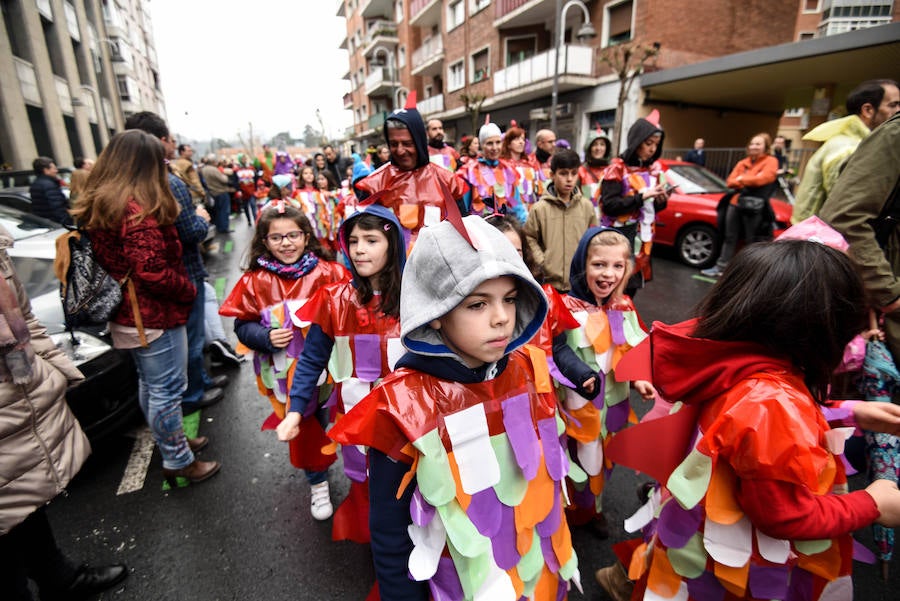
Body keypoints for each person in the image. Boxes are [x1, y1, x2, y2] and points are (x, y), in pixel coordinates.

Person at [596, 240, 900, 601]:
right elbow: (783, 514)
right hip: (727, 573)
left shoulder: (727, 357)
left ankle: (622, 580)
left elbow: (755, 420)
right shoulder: (769, 402)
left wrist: (845, 411)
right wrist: (874, 502)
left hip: (693, 539)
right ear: (818, 327)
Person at [330, 215, 579, 600]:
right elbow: (389, 531)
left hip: (530, 570)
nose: (501, 318)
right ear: (438, 312)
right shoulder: (402, 405)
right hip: (458, 580)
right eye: (478, 304)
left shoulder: (530, 369)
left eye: (510, 299)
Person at [71, 129, 220, 486]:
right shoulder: (135, 209)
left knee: (151, 385)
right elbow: (152, 271)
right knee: (167, 390)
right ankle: (177, 459)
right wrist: (186, 289)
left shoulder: (105, 200)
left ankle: (175, 445)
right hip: (152, 316)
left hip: (131, 315)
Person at [0, 224, 128, 600]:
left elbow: (25, 319)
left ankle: (57, 575)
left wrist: (59, 369)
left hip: (21, 394)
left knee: (25, 499)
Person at [277, 205, 404, 532]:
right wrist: (294, 411)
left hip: (407, 417)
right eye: (354, 240)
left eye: (371, 240)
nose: (360, 248)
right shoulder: (334, 299)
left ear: (393, 245)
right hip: (355, 416)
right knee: (368, 485)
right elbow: (311, 359)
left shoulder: (417, 296)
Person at [218, 206, 348, 508]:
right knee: (304, 425)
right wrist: (264, 337)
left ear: (306, 236)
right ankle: (318, 481)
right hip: (285, 376)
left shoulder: (328, 272)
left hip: (330, 370)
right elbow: (242, 324)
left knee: (337, 417)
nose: (286, 243)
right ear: (263, 241)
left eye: (293, 235)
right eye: (276, 237)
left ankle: (359, 477)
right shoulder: (255, 281)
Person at [123, 111, 224, 415]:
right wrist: (201, 219)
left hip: (153, 296)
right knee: (184, 352)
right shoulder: (162, 184)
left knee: (163, 372)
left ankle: (199, 383)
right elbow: (186, 234)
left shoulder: (129, 188)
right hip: (178, 281)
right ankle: (192, 395)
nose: (174, 146)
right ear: (158, 142)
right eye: (169, 141)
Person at [558, 227, 655, 538]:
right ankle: (568, 510)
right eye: (599, 264)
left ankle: (593, 509)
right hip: (575, 406)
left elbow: (630, 347)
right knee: (575, 457)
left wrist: (639, 378)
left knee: (603, 458)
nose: (608, 274)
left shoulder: (623, 306)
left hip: (613, 402)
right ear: (582, 265)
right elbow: (554, 353)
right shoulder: (566, 309)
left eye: (617, 266)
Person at [820, 111, 900, 363]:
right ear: (868, 109)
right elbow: (844, 214)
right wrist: (888, 293)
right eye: (891, 102)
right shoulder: (893, 135)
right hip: (885, 296)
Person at [353, 92, 469, 252]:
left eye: (407, 143)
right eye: (393, 144)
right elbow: (363, 235)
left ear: (420, 141)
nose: (400, 151)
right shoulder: (374, 184)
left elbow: (464, 228)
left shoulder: (446, 181)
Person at [791, 78, 900, 224]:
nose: (898, 111)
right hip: (825, 241)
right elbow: (846, 211)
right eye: (893, 105)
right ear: (868, 110)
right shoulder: (848, 148)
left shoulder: (853, 143)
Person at [600, 110, 671, 294]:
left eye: (656, 144)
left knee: (630, 293)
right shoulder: (617, 169)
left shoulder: (654, 171)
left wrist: (661, 201)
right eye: (648, 143)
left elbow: (652, 209)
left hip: (643, 242)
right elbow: (610, 206)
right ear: (636, 142)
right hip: (620, 239)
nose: (652, 149)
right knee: (612, 291)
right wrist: (641, 197)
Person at [701, 132, 779, 277]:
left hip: (754, 206)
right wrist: (750, 179)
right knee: (730, 236)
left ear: (765, 147)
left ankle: (747, 272)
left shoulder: (771, 161)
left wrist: (742, 178)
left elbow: (764, 179)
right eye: (752, 143)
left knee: (751, 240)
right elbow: (730, 182)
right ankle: (721, 267)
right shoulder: (742, 162)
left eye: (758, 144)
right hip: (735, 203)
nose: (754, 146)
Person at [524, 149, 597, 292]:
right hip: (550, 284)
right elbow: (529, 237)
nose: (569, 179)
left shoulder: (586, 207)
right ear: (552, 175)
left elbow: (595, 238)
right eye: (563, 173)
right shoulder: (540, 208)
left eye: (574, 173)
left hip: (580, 284)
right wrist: (543, 261)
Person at [458, 121, 525, 222]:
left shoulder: (508, 170)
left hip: (505, 230)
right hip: (480, 231)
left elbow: (517, 206)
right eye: (489, 143)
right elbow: (463, 210)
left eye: (498, 142)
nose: (494, 148)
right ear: (481, 145)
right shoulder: (469, 171)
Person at [500, 125, 546, 208]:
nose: (521, 142)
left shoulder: (531, 163)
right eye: (517, 139)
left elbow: (538, 190)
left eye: (523, 139)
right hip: (510, 210)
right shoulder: (502, 165)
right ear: (508, 144)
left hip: (531, 209)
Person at [577, 128, 613, 214]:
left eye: (602, 144)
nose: (598, 148)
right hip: (586, 218)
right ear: (589, 147)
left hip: (608, 220)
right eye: (595, 144)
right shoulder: (580, 171)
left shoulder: (613, 170)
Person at [29, 157, 71, 225]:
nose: (56, 171)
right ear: (46, 170)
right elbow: (57, 208)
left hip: (45, 222)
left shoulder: (36, 183)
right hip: (56, 223)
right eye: (54, 168)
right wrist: (67, 222)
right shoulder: (49, 185)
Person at [201, 154, 236, 234]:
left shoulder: (204, 169)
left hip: (212, 192)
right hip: (221, 192)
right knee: (224, 211)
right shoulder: (213, 170)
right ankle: (224, 228)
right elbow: (223, 180)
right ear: (213, 161)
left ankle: (219, 227)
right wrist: (225, 176)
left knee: (218, 211)